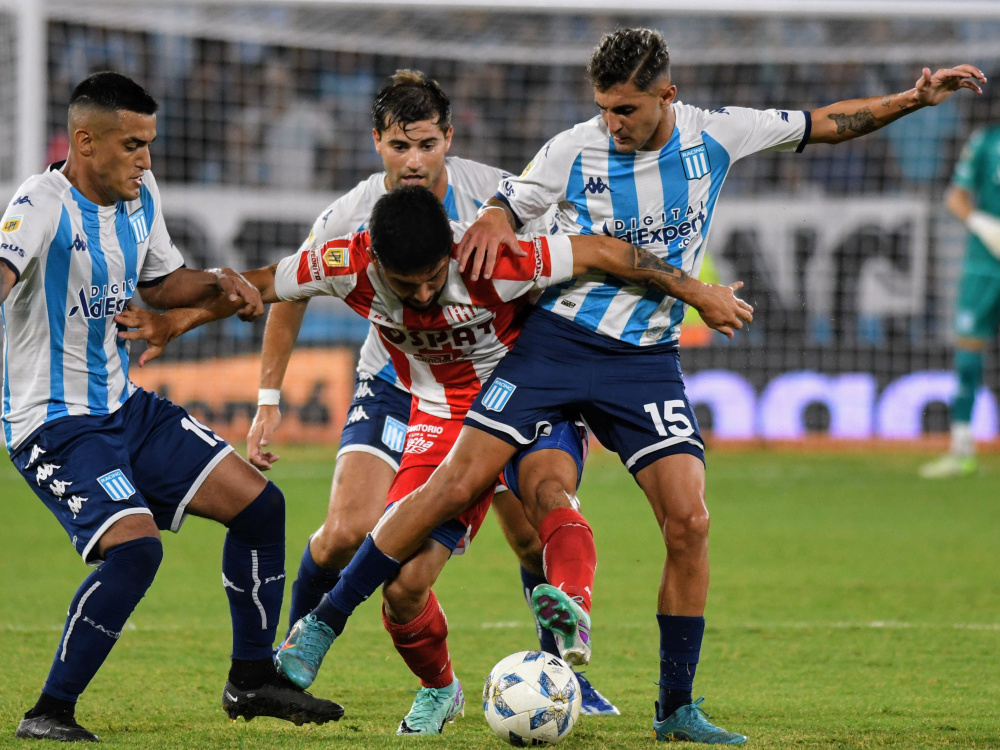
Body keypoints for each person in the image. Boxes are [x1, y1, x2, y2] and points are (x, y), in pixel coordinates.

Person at [236, 29, 983, 746]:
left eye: (625, 108)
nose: (610, 122)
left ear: (667, 95)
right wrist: (494, 224)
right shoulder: (570, 149)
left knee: (688, 522)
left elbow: (825, 124)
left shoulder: (719, 134)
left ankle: (676, 707)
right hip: (554, 345)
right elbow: (511, 206)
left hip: (645, 360)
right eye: (602, 107)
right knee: (464, 478)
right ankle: (321, 628)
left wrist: (913, 100)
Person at [116, 184, 752, 735]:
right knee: (405, 586)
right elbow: (257, 286)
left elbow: (603, 252)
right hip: (441, 414)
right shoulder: (346, 262)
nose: (422, 294)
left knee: (549, 499)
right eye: (406, 284)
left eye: (432, 277)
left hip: (528, 395)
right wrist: (178, 324)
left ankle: (570, 619)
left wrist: (694, 290)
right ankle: (441, 688)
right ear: (376, 264)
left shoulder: (491, 259)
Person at [245, 69, 618, 715]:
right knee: (346, 533)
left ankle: (563, 673)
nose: (413, 161)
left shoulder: (498, 198)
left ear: (448, 139)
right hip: (399, 381)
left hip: (504, 378)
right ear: (376, 144)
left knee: (529, 535)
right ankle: (296, 660)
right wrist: (268, 399)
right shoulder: (352, 216)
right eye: (398, 146)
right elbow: (287, 289)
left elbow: (574, 264)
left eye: (425, 145)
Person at [0, 71, 344, 743]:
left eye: (149, 144)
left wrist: (222, 281)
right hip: (53, 423)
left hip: (124, 407)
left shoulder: (139, 195)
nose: (146, 160)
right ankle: (50, 710)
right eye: (132, 145)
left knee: (259, 507)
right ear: (84, 140)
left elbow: (162, 285)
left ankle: (250, 680)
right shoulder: (38, 205)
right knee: (135, 551)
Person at [919, 122, 1000, 479]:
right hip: (983, 265)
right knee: (967, 357)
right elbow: (956, 197)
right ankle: (962, 449)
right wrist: (984, 226)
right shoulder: (986, 142)